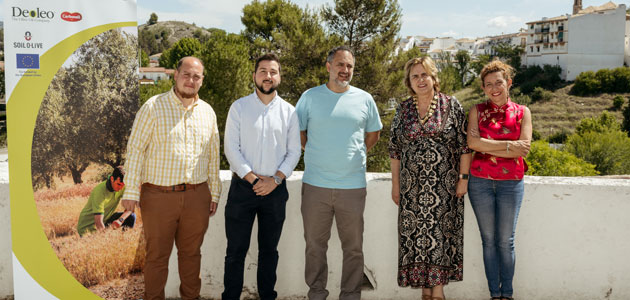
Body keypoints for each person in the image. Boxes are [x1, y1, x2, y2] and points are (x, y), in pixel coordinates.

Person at [121, 56, 222, 300]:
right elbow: (135, 150)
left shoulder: (208, 112)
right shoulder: (153, 106)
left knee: (191, 255)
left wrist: (214, 192)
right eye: (186, 74)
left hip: (197, 196)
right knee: (156, 257)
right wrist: (131, 193)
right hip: (158, 197)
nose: (191, 80)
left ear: (202, 81)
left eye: (196, 76)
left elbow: (213, 155)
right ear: (175, 75)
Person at [295, 46, 382, 300]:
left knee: (353, 248)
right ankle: (317, 294)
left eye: (350, 66)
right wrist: (316, 150)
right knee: (314, 247)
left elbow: (373, 133)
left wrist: (356, 153)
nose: (345, 71)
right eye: (340, 65)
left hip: (352, 186)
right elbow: (299, 132)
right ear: (328, 66)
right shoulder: (309, 97)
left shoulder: (364, 99)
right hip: (315, 186)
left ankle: (350, 295)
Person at [388, 57, 471, 300]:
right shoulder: (403, 109)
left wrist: (463, 179)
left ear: (434, 77)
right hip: (411, 192)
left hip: (444, 191)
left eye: (425, 75)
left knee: (440, 242)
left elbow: (465, 146)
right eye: (415, 76)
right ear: (409, 82)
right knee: (417, 244)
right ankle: (427, 293)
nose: (420, 80)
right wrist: (396, 186)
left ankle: (437, 294)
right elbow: (394, 150)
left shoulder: (451, 105)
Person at [222, 53, 301, 300]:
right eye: (263, 71)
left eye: (273, 71)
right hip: (243, 189)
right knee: (235, 251)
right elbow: (230, 149)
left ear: (280, 76)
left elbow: (294, 151)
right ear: (254, 75)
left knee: (270, 251)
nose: (268, 76)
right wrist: (255, 180)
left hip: (275, 190)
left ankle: (268, 296)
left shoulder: (289, 111)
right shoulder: (239, 107)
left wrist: (274, 180)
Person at [467, 59, 532, 300]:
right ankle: (495, 294)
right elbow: (472, 144)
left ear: (509, 83)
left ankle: (508, 294)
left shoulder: (523, 112)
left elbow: (523, 149)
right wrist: (508, 146)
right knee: (488, 241)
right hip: (480, 182)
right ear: (483, 88)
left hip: (511, 184)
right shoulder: (476, 111)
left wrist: (488, 146)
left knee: (506, 241)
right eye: (488, 84)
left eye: (499, 82)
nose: (494, 88)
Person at [76, 166, 136, 236]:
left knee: (131, 216)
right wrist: (106, 238)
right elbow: (98, 222)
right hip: (88, 227)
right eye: (118, 184)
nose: (120, 188)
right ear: (112, 178)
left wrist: (120, 220)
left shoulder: (123, 186)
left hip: (105, 220)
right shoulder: (99, 191)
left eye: (123, 185)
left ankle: (124, 240)